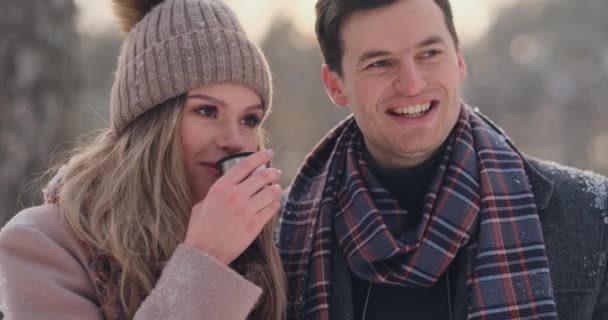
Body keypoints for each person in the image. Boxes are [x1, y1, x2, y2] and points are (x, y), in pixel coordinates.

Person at [278, 0, 608, 319]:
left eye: (430, 53)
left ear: (459, 60)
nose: (412, 84)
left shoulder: (592, 218)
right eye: (379, 63)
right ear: (335, 85)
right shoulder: (274, 237)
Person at [0, 0, 286, 319]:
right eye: (207, 111)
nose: (234, 140)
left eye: (249, 120)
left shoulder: (271, 242)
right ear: (151, 123)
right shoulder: (42, 244)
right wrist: (205, 260)